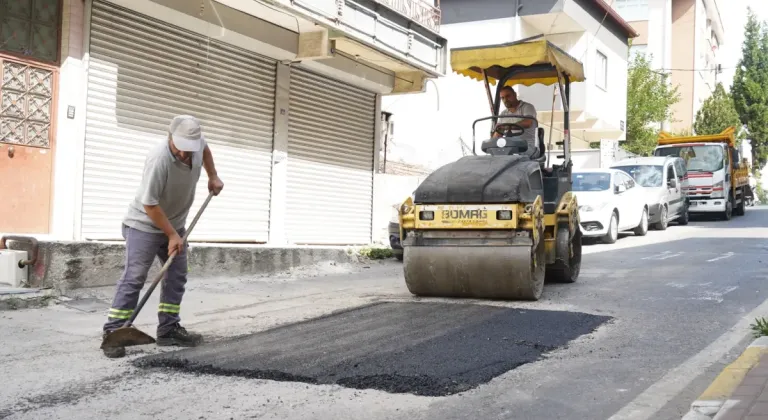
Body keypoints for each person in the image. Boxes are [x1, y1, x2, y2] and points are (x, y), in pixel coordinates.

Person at [101, 115, 224, 358]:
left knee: (176, 277)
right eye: (180, 148)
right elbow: (150, 204)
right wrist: (171, 235)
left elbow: (206, 149)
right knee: (134, 277)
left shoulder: (197, 144)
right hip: (144, 226)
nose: (184, 155)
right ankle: (113, 332)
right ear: (170, 138)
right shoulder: (159, 159)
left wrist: (213, 175)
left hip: (176, 225)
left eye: (189, 149)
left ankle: (168, 330)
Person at [493, 86, 539, 157]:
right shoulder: (503, 114)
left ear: (514, 94)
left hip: (527, 146)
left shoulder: (527, 107)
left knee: (513, 156)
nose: (505, 100)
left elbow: (528, 123)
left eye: (508, 96)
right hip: (510, 146)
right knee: (495, 156)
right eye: (503, 98)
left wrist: (506, 127)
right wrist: (491, 144)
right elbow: (498, 133)